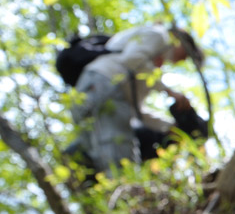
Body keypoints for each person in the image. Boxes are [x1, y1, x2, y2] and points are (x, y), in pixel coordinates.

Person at [70, 25, 204, 175]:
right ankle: (121, 186)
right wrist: (169, 91)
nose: (183, 59)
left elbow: (136, 110)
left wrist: (170, 127)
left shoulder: (146, 68)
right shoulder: (159, 34)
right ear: (179, 39)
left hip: (94, 88)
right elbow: (131, 58)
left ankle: (78, 171)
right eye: (186, 52)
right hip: (104, 84)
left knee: (94, 153)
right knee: (118, 149)